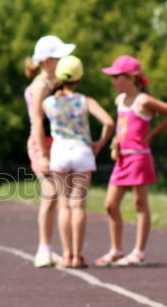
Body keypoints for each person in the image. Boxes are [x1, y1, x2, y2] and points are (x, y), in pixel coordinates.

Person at [95, 55, 167, 267]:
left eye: (117, 77)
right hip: (122, 159)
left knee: (140, 204)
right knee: (110, 205)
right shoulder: (119, 101)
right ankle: (116, 249)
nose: (114, 82)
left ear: (131, 79)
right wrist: (117, 140)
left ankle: (138, 252)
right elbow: (123, 126)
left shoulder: (143, 101)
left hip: (139, 158)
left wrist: (151, 135)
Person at [42, 55, 114, 268]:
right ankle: (78, 256)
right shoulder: (85, 101)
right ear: (79, 79)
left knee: (64, 206)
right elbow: (109, 122)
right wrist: (100, 142)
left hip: (60, 152)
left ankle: (66, 254)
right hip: (82, 150)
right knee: (78, 205)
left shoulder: (48, 103)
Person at [25, 34, 75, 267]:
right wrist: (43, 154)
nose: (63, 61)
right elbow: (36, 122)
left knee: (59, 196)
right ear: (46, 61)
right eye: (58, 57)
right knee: (50, 193)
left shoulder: (55, 83)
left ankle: (56, 248)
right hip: (42, 143)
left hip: (56, 142)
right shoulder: (39, 87)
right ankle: (43, 249)